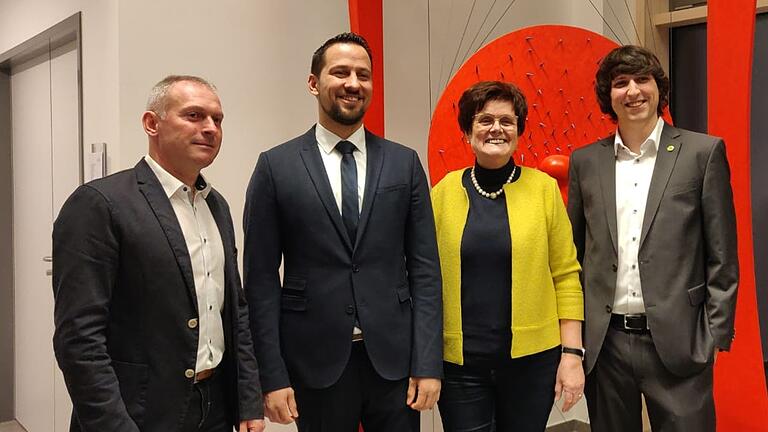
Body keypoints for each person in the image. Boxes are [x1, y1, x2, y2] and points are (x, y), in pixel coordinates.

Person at [243, 32, 442, 432]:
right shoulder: (276, 167)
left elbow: (425, 272)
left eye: (363, 75)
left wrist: (427, 362)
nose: (354, 83)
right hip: (314, 363)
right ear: (314, 83)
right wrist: (273, 374)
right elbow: (261, 282)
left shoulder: (404, 164)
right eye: (341, 72)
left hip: (394, 363)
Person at [52, 75, 264, 432]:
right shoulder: (100, 204)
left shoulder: (217, 206)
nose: (210, 128)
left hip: (214, 406)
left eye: (217, 119)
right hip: (138, 412)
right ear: (152, 124)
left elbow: (235, 312)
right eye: (194, 115)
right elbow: (79, 338)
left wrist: (248, 401)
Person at [567, 45, 738, 432]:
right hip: (606, 346)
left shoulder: (702, 153)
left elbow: (722, 255)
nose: (633, 91)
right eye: (620, 83)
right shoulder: (585, 162)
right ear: (608, 96)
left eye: (642, 79)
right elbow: (574, 256)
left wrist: (712, 335)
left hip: (680, 344)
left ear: (659, 88)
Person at [430, 80, 585, 432]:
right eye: (484, 120)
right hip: (460, 367)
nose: (496, 129)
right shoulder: (442, 194)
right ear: (468, 131)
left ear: (518, 131)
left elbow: (566, 275)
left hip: (533, 363)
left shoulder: (543, 189)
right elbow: (425, 278)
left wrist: (572, 355)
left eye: (507, 121)